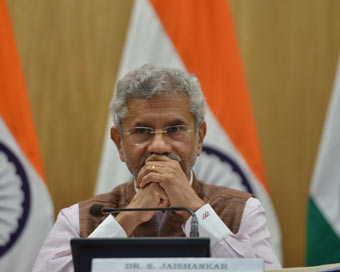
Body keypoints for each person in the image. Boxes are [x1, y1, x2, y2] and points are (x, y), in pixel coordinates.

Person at [33, 64, 281, 271]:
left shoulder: (243, 211)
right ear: (119, 142)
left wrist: (195, 208)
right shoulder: (79, 218)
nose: (159, 146)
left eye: (174, 129)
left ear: (199, 138)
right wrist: (127, 219)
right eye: (142, 131)